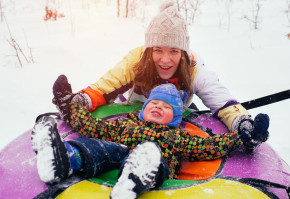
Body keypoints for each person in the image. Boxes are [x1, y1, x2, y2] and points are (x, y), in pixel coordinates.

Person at [53, 1, 263, 150]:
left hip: (171, 123)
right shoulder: (136, 59)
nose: (165, 59)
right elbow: (104, 87)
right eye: (158, 50)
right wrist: (78, 101)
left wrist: (242, 123)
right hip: (133, 117)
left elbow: (222, 101)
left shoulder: (194, 68)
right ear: (149, 49)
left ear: (183, 53)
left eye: (173, 51)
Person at [32, 82, 270, 199]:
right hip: (119, 151)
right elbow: (92, 127)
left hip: (155, 162)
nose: (157, 107)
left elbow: (208, 146)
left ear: (175, 119)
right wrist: (71, 106)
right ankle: (63, 159)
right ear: (144, 109)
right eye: (154, 103)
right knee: (98, 146)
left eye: (166, 107)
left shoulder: (177, 136)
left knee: (151, 159)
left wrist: (242, 136)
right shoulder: (125, 124)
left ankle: (133, 182)